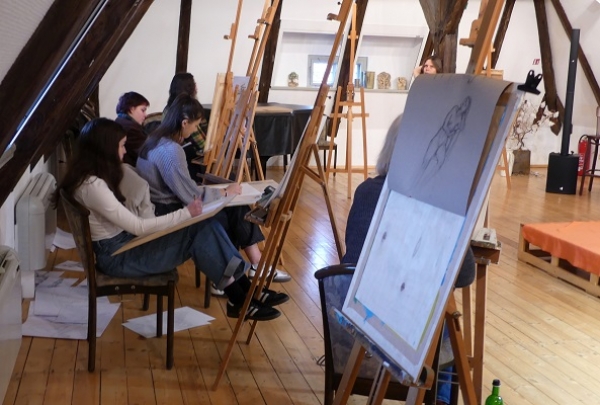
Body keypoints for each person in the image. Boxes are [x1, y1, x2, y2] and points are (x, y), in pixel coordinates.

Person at [52, 117, 287, 321]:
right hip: (118, 256)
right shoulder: (92, 185)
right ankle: (242, 296)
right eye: (121, 146)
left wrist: (187, 215)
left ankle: (245, 293)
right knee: (199, 229)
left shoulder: (87, 177)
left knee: (204, 225)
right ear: (104, 149)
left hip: (122, 246)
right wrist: (186, 214)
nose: (124, 152)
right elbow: (139, 226)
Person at [342, 114, 475, 405]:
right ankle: (440, 400)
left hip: (356, 325)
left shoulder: (365, 192)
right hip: (404, 338)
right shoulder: (436, 204)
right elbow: (465, 274)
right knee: (441, 312)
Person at [136, 94, 291, 290]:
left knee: (236, 207)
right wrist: (224, 193)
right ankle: (232, 276)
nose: (195, 130)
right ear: (184, 123)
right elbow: (191, 197)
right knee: (232, 212)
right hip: (170, 212)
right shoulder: (171, 150)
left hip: (164, 206)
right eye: (195, 125)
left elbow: (183, 188)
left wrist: (221, 192)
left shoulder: (154, 140)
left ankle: (250, 267)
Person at [164, 72, 208, 178]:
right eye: (194, 84)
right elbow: (202, 145)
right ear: (189, 88)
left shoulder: (168, 108)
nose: (196, 87)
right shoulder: (187, 111)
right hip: (188, 160)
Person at [115, 91, 150, 166]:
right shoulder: (130, 129)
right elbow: (148, 154)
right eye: (143, 110)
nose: (145, 115)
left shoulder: (121, 121)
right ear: (131, 109)